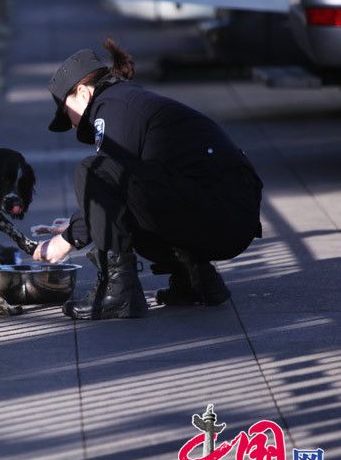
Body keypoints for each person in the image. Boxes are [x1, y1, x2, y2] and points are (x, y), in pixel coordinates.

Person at [33, 39, 263, 320]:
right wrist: (81, 222)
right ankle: (195, 280)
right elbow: (125, 189)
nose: (70, 123)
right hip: (231, 212)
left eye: (65, 111)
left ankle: (118, 293)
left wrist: (67, 240)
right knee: (118, 194)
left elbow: (106, 178)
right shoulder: (126, 100)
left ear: (82, 92)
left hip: (221, 211)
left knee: (93, 169)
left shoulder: (112, 106)